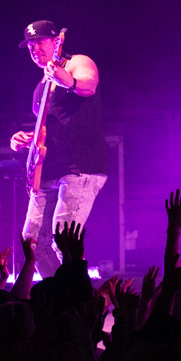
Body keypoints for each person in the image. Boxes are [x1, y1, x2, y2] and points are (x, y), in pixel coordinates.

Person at [10, 20, 109, 277]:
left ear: (56, 42)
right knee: (32, 243)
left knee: (63, 239)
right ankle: (58, 301)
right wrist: (26, 139)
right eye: (30, 46)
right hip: (50, 171)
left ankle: (81, 303)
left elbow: (88, 85)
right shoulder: (40, 87)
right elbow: (49, 130)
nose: (34, 49)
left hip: (80, 167)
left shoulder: (77, 62)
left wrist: (68, 81)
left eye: (39, 42)